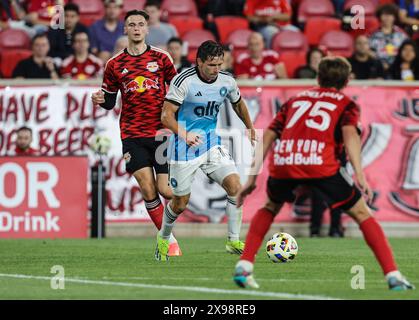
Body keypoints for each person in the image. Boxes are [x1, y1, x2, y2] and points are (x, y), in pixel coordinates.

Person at [233, 56, 415, 291]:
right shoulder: (346, 103)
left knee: (270, 207)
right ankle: (393, 276)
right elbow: (350, 135)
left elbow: (268, 134)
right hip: (321, 163)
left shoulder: (295, 100)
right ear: (347, 80)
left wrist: (251, 178)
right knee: (362, 213)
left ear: (318, 78)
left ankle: (245, 265)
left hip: (285, 161)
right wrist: (360, 174)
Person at [155, 40, 257, 261]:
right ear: (199, 62)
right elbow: (166, 116)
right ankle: (163, 237)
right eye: (212, 65)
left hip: (211, 143)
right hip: (184, 148)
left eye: (220, 64)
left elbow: (238, 103)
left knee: (235, 186)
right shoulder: (183, 81)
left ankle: (233, 240)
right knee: (180, 203)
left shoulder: (227, 81)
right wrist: (185, 135)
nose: (217, 69)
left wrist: (249, 127)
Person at [91, 10, 181, 256]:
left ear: (147, 29)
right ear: (125, 29)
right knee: (147, 188)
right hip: (131, 133)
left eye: (141, 24)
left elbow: (178, 89)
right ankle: (169, 242)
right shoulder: (114, 64)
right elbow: (110, 101)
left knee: (165, 190)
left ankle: (171, 222)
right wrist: (100, 99)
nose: (137, 28)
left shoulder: (162, 58)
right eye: (132, 24)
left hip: (161, 132)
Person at [370, 4, 409, 71]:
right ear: (379, 16)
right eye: (384, 14)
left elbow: (408, 50)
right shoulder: (372, 33)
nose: (387, 17)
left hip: (398, 68)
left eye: (390, 14)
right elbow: (368, 51)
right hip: (377, 67)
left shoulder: (402, 34)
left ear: (394, 17)